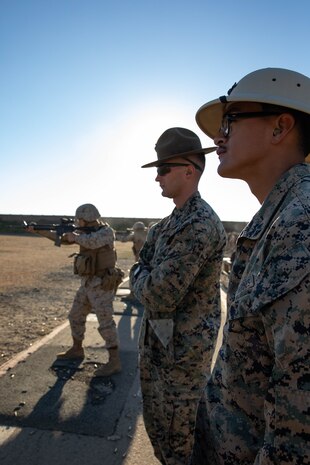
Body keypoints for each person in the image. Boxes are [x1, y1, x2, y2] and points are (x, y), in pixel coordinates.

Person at [191, 68, 310, 465]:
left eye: (231, 120)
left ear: (280, 127)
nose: (217, 137)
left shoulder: (300, 221)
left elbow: (297, 433)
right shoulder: (280, 216)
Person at [129, 127, 227, 465]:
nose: (157, 177)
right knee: (160, 434)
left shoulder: (200, 224)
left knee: (181, 445)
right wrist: (143, 276)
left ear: (190, 169)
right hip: (157, 350)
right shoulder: (164, 226)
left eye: (163, 169)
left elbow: (159, 293)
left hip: (182, 361)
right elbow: (140, 267)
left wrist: (141, 278)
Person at [26, 203, 124, 377]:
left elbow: (92, 242)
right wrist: (39, 231)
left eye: (79, 219)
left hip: (102, 283)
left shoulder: (106, 232)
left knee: (106, 323)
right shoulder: (80, 232)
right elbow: (64, 239)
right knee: (75, 315)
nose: (77, 222)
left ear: (86, 218)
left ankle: (114, 361)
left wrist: (74, 236)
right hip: (87, 283)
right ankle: (77, 349)